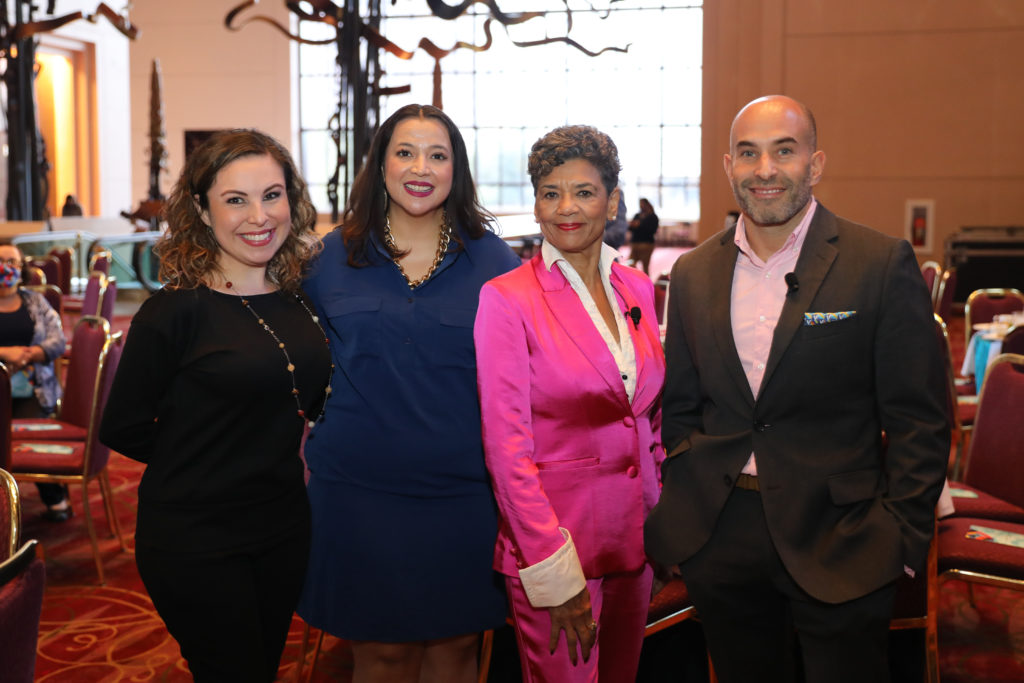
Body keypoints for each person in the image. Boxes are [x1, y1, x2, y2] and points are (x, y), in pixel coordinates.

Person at [644, 95, 949, 683]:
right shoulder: (692, 273)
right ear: (728, 163)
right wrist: (694, 516)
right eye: (749, 153)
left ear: (815, 163)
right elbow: (681, 407)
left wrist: (902, 538)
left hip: (846, 538)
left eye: (784, 151)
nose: (765, 170)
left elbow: (920, 421)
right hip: (723, 535)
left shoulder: (878, 263)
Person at [296, 104, 519, 683]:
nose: (421, 167)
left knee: (454, 650)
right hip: (357, 492)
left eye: (437, 155)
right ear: (381, 164)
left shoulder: (495, 263)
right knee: (381, 655)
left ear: (456, 170)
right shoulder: (327, 258)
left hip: (463, 494)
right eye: (405, 152)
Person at [99, 129, 332, 682]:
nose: (259, 216)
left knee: (262, 667)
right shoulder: (174, 312)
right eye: (235, 199)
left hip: (282, 527)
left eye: (272, 195)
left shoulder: (298, 300)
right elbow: (123, 425)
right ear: (203, 212)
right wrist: (202, 462)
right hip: (195, 536)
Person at [475, 125, 666, 682]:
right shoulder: (507, 300)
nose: (566, 208)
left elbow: (646, 418)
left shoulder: (636, 288)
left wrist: (662, 516)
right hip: (558, 549)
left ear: (611, 200)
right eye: (550, 192)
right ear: (535, 203)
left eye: (583, 191)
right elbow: (506, 452)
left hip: (636, 541)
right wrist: (552, 571)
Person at [0, 240, 71, 521]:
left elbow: (58, 340)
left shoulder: (35, 301)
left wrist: (30, 354)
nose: (6, 268)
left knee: (33, 435)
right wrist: (6, 352)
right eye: (0, 262)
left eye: (12, 262)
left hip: (33, 389)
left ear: (22, 268)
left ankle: (54, 497)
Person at [627, 197, 658, 274]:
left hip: (646, 244)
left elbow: (652, 230)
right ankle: (632, 283)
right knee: (630, 265)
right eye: (640, 204)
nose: (641, 206)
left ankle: (646, 284)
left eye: (642, 204)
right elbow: (630, 228)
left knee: (645, 267)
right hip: (635, 244)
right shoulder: (637, 215)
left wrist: (639, 225)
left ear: (647, 204)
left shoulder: (653, 217)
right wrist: (633, 225)